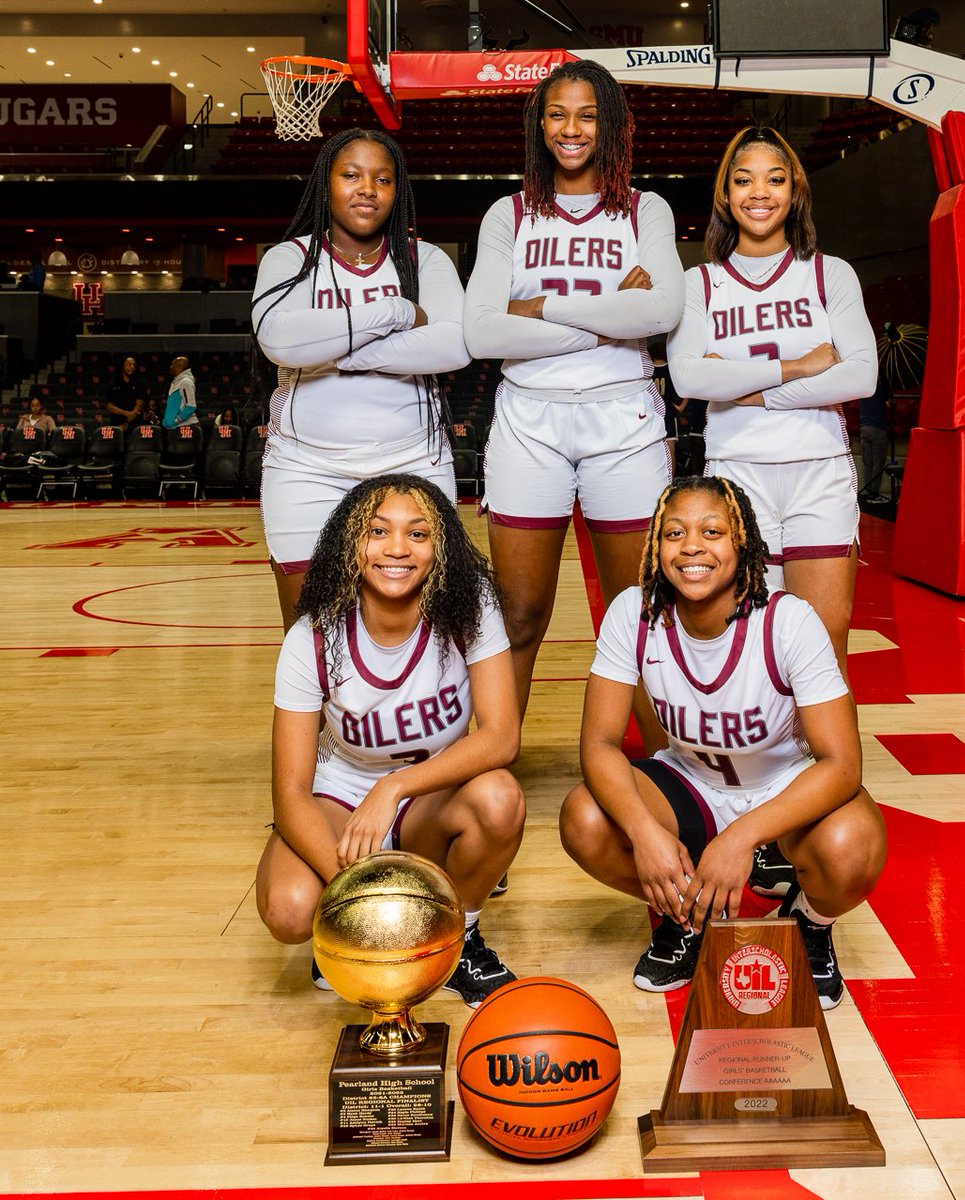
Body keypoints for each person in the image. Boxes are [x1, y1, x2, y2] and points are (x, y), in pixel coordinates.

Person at [559, 476, 886, 1008]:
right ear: (654, 546)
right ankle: (687, 915)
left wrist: (742, 838)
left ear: (743, 543)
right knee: (586, 818)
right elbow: (598, 743)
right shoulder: (634, 613)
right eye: (674, 533)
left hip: (783, 783)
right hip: (693, 781)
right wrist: (644, 833)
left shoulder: (788, 621)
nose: (691, 547)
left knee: (853, 847)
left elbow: (843, 765)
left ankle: (808, 922)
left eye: (712, 531)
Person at [464, 60, 685, 736]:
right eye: (558, 113)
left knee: (636, 612)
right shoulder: (508, 213)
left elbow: (667, 310)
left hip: (625, 422)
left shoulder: (647, 208)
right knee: (521, 614)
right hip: (530, 423)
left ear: (610, 124)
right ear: (539, 124)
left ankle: (666, 772)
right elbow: (479, 329)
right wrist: (611, 311)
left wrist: (534, 309)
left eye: (587, 114)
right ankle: (487, 770)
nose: (571, 128)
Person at [257, 473, 524, 1007]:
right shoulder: (312, 636)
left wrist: (395, 787)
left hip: (427, 798)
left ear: (440, 546)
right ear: (350, 544)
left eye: (418, 534)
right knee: (289, 911)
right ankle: (350, 931)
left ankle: (460, 934)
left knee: (499, 798)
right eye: (378, 532)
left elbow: (501, 738)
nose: (397, 549)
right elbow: (289, 793)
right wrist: (366, 898)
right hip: (342, 804)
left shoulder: (470, 613)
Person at [667, 126, 878, 679]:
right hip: (737, 477)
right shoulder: (700, 284)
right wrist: (802, 368)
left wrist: (748, 388)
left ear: (795, 192)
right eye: (744, 180)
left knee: (824, 644)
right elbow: (688, 377)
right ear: (725, 194)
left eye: (775, 179)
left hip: (819, 471)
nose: (759, 192)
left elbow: (862, 375)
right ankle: (759, 764)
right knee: (744, 637)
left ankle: (830, 766)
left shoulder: (830, 274)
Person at [252, 127, 469, 629]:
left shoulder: (425, 259)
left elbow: (454, 345)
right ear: (326, 183)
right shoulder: (290, 259)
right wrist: (394, 311)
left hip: (414, 461)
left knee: (423, 628)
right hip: (305, 468)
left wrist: (330, 353)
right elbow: (280, 342)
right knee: (309, 633)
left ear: (398, 191)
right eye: (351, 175)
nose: (366, 188)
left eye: (382, 178)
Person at [858, 371, 891, 506]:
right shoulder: (882, 386)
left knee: (868, 462)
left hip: (864, 427)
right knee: (878, 462)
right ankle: (874, 493)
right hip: (878, 427)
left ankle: (867, 490)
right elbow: (889, 404)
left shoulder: (864, 386)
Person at [104, 355, 148, 430]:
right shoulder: (113, 384)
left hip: (135, 423)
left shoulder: (140, 384)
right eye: (129, 364)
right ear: (122, 366)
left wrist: (126, 422)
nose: (132, 367)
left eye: (134, 365)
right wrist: (127, 414)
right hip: (117, 423)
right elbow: (109, 406)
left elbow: (139, 405)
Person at [163, 355, 199, 428]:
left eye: (173, 364)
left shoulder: (186, 382)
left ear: (180, 366)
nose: (170, 367)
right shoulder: (175, 382)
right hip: (176, 427)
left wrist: (176, 420)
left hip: (187, 427)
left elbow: (191, 406)